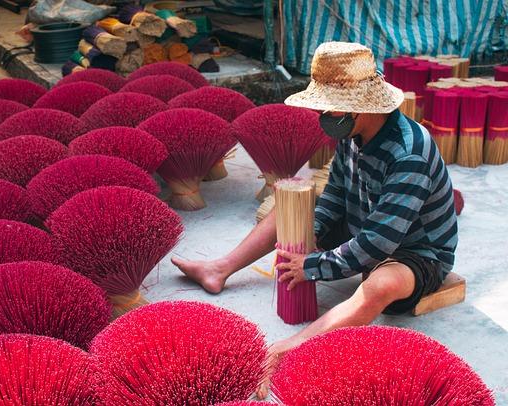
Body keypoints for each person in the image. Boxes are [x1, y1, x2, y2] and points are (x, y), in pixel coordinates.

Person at [171, 42, 458, 398]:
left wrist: (313, 265)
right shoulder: (353, 135)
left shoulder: (409, 152)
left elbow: (378, 243)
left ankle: (290, 349)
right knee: (291, 204)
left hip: (415, 250)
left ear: (361, 106)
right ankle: (220, 268)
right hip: (363, 224)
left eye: (329, 104)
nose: (323, 112)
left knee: (380, 285)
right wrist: (307, 233)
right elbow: (335, 196)